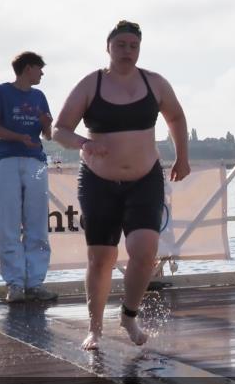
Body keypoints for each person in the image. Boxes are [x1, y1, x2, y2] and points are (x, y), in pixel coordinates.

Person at [53, 20, 190, 350]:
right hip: (99, 181)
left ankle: (129, 315)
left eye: (133, 46)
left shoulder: (154, 82)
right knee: (101, 258)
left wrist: (182, 157)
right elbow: (60, 130)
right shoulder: (91, 83)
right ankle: (95, 328)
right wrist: (84, 143)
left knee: (144, 252)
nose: (127, 51)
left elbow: (176, 118)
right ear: (108, 47)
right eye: (121, 45)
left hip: (144, 179)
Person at [0, 52, 57, 303]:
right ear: (27, 69)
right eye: (39, 68)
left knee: (37, 222)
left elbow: (47, 135)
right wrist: (17, 137)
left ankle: (35, 283)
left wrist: (46, 125)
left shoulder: (39, 97)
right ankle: (15, 284)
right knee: (8, 223)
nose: (42, 74)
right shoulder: (0, 92)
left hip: (35, 161)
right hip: (6, 160)